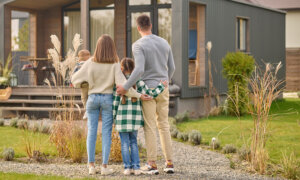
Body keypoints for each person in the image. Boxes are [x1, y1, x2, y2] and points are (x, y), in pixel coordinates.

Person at [71, 35, 151, 175]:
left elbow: (74, 79)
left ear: (97, 47)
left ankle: (91, 166)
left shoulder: (90, 62)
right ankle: (104, 167)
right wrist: (139, 95)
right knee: (106, 133)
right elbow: (124, 87)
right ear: (112, 47)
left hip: (92, 98)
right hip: (108, 99)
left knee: (91, 131)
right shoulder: (115, 64)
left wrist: (86, 83)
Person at [116, 15, 176, 175]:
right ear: (150, 25)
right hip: (163, 88)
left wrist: (125, 86)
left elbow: (140, 69)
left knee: (150, 126)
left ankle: (152, 164)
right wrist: (166, 81)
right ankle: (169, 163)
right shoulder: (164, 42)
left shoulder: (138, 45)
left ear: (138, 28)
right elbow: (172, 67)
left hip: (147, 90)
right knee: (163, 125)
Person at [113, 58, 167, 176]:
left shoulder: (118, 83)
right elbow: (150, 94)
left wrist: (114, 117)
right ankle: (137, 168)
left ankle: (127, 168)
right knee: (133, 142)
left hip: (122, 120)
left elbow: (115, 102)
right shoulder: (139, 82)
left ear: (121, 69)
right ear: (134, 69)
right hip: (135, 120)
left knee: (124, 144)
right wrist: (161, 86)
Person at [73, 49, 90, 120]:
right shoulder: (90, 64)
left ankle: (87, 110)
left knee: (84, 98)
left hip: (83, 84)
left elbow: (74, 75)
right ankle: (88, 111)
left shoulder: (77, 65)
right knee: (90, 97)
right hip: (90, 83)